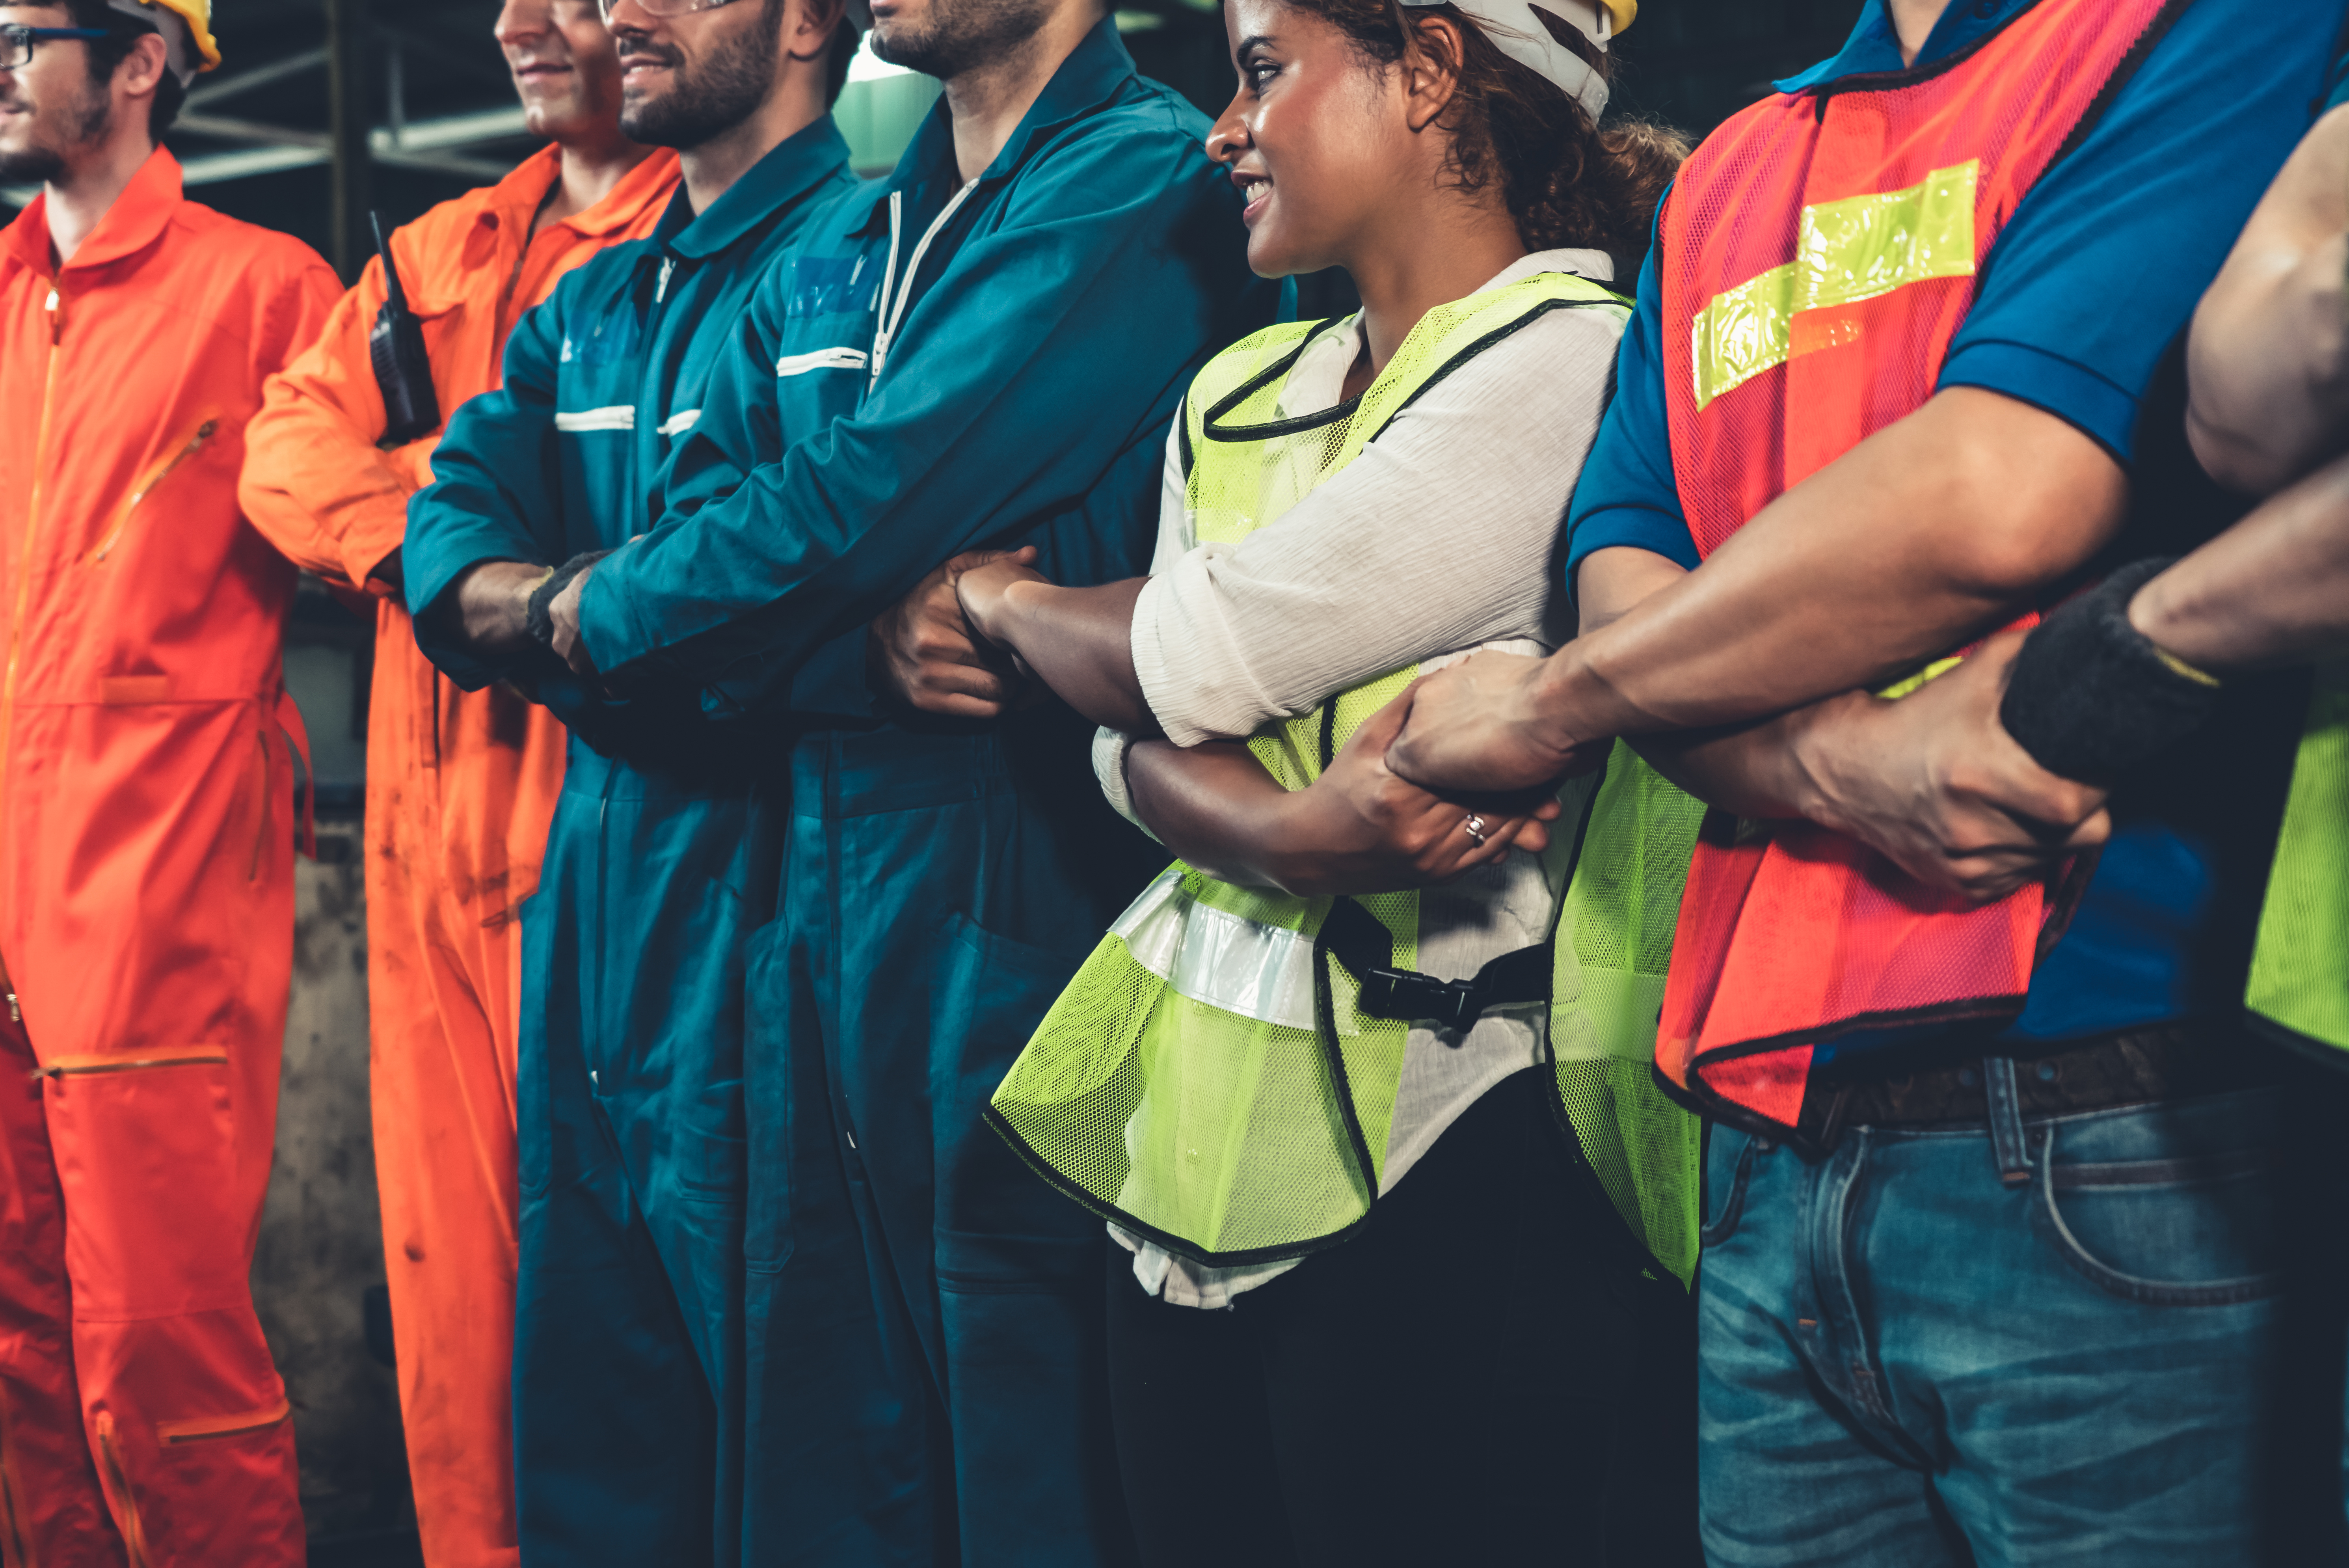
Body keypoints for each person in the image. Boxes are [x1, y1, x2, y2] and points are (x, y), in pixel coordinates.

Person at [1377, 0, 2349, 1559]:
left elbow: (1997, 493)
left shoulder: (2212, 27)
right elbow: (1627, 587)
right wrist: (1851, 758)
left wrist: (1555, 703)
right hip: (1770, 1138)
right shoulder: (1733, 165)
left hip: (2110, 1102)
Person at [898, 0, 1704, 1559]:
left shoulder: (1570, 362)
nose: (1220, 127)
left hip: (1462, 1142)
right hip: (1189, 1158)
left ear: (1426, 69)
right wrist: (1289, 823)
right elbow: (1119, 752)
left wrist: (994, 600)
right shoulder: (1238, 390)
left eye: (1261, 68)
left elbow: (1184, 661)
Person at [497, 0, 1279, 1551]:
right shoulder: (856, 241)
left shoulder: (1133, 184)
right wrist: (847, 649)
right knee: (832, 1476)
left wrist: (591, 613)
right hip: (822, 933)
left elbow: (860, 495)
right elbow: (724, 505)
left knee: (1031, 1459)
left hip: (1033, 905)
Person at [396, 0, 859, 1555]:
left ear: (808, 19)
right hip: (594, 918)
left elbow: (770, 612)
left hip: (773, 921)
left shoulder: (865, 262)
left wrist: (561, 618)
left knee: (780, 1451)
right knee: (594, 1428)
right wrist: (575, 615)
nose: (615, 15)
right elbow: (448, 520)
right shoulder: (586, 309)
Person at [235, 1, 677, 1559]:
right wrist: (436, 541)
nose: (516, 23)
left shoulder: (703, 241)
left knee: (617, 1308)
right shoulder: (440, 251)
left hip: (603, 826)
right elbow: (284, 447)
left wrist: (450, 524)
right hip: (429, 850)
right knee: (450, 1306)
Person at [0, 0, 340, 1561]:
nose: (1, 65)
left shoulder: (264, 293)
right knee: (18, 1353)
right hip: (9, 905)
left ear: (142, 60)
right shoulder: (1, 302)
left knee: (161, 1356)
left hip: (155, 916)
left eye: (28, 35)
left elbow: (383, 518)